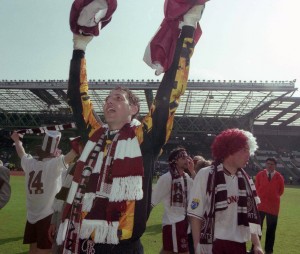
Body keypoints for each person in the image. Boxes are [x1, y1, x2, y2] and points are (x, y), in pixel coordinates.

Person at [56, 2, 206, 253]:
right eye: (107, 99)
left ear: (134, 109)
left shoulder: (144, 136)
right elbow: (76, 96)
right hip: (84, 242)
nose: (109, 102)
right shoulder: (95, 134)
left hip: (124, 246)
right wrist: (79, 47)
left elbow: (170, 93)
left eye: (118, 98)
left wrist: (188, 28)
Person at [187, 128, 264, 254]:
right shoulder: (206, 174)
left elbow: (250, 216)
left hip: (239, 245)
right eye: (244, 149)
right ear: (230, 150)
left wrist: (257, 244)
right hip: (213, 245)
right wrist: (197, 246)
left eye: (249, 150)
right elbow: (195, 214)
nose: (248, 154)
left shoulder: (246, 180)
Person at [11, 130, 78, 254]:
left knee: (33, 249)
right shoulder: (53, 164)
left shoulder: (30, 162)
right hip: (48, 215)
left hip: (32, 214)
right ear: (54, 152)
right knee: (46, 250)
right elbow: (72, 154)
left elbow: (21, 153)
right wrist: (83, 139)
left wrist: (16, 140)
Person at [151, 147, 195, 254]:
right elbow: (152, 201)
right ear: (175, 160)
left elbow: (198, 189)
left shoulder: (186, 177)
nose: (187, 160)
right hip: (173, 223)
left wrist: (192, 171)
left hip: (183, 222)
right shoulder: (166, 178)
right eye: (183, 158)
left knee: (167, 251)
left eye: (187, 157)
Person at [254, 158, 284, 254]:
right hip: (260, 206)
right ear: (265, 164)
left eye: (272, 164)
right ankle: (255, 248)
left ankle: (269, 250)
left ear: (275, 165)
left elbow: (281, 191)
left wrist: (272, 197)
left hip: (273, 207)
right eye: (268, 163)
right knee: (257, 229)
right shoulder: (260, 175)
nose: (269, 165)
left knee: (271, 230)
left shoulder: (279, 177)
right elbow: (256, 187)